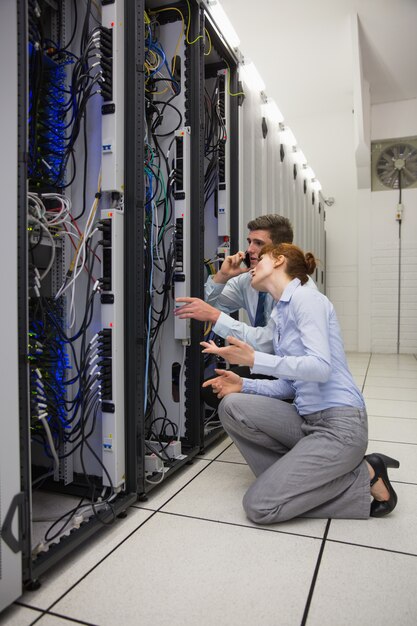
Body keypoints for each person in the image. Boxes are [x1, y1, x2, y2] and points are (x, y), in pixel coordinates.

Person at [200, 243, 399, 523]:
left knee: (259, 506)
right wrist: (244, 384)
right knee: (232, 406)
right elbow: (290, 387)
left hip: (340, 426)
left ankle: (365, 474)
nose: (252, 262)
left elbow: (319, 367)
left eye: (262, 257)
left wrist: (256, 359)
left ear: (279, 260)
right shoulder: (280, 314)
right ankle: (293, 480)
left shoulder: (307, 299)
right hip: (307, 420)